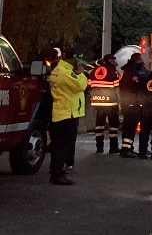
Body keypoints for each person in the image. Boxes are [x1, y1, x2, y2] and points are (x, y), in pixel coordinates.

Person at [46, 47, 87, 185]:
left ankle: (56, 172)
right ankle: (58, 174)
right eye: (78, 60)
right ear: (72, 59)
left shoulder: (59, 70)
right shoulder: (65, 73)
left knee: (59, 146)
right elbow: (81, 85)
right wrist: (80, 73)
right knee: (62, 147)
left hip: (62, 112)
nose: (79, 62)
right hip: (67, 114)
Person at [88, 54, 121, 154]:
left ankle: (99, 148)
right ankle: (113, 148)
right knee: (113, 126)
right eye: (113, 60)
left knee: (99, 125)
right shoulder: (112, 71)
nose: (115, 61)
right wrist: (120, 102)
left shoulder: (94, 71)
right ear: (110, 61)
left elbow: (89, 85)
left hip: (97, 101)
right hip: (110, 102)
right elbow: (117, 88)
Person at [119, 53, 148, 158]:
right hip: (132, 102)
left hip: (127, 102)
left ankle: (127, 148)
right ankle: (126, 150)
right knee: (130, 127)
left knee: (128, 126)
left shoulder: (128, 70)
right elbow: (139, 83)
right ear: (138, 60)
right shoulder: (133, 71)